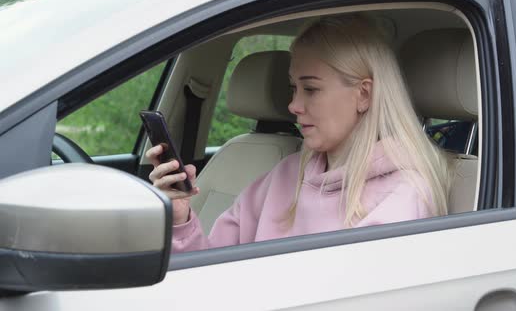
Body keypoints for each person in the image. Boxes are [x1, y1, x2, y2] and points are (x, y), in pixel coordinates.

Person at [146, 14, 453, 253]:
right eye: (294, 88)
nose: (293, 104)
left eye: (311, 89)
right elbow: (210, 273)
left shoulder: (403, 196)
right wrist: (181, 218)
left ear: (363, 95)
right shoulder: (285, 175)